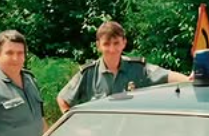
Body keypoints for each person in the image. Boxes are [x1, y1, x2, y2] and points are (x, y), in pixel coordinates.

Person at [57, 21, 191, 112]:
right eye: (106, 44)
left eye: (116, 43)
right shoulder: (89, 74)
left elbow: (167, 76)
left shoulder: (138, 69)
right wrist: (78, 130)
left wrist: (189, 80)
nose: (112, 49)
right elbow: (63, 99)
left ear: (124, 43)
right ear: (98, 46)